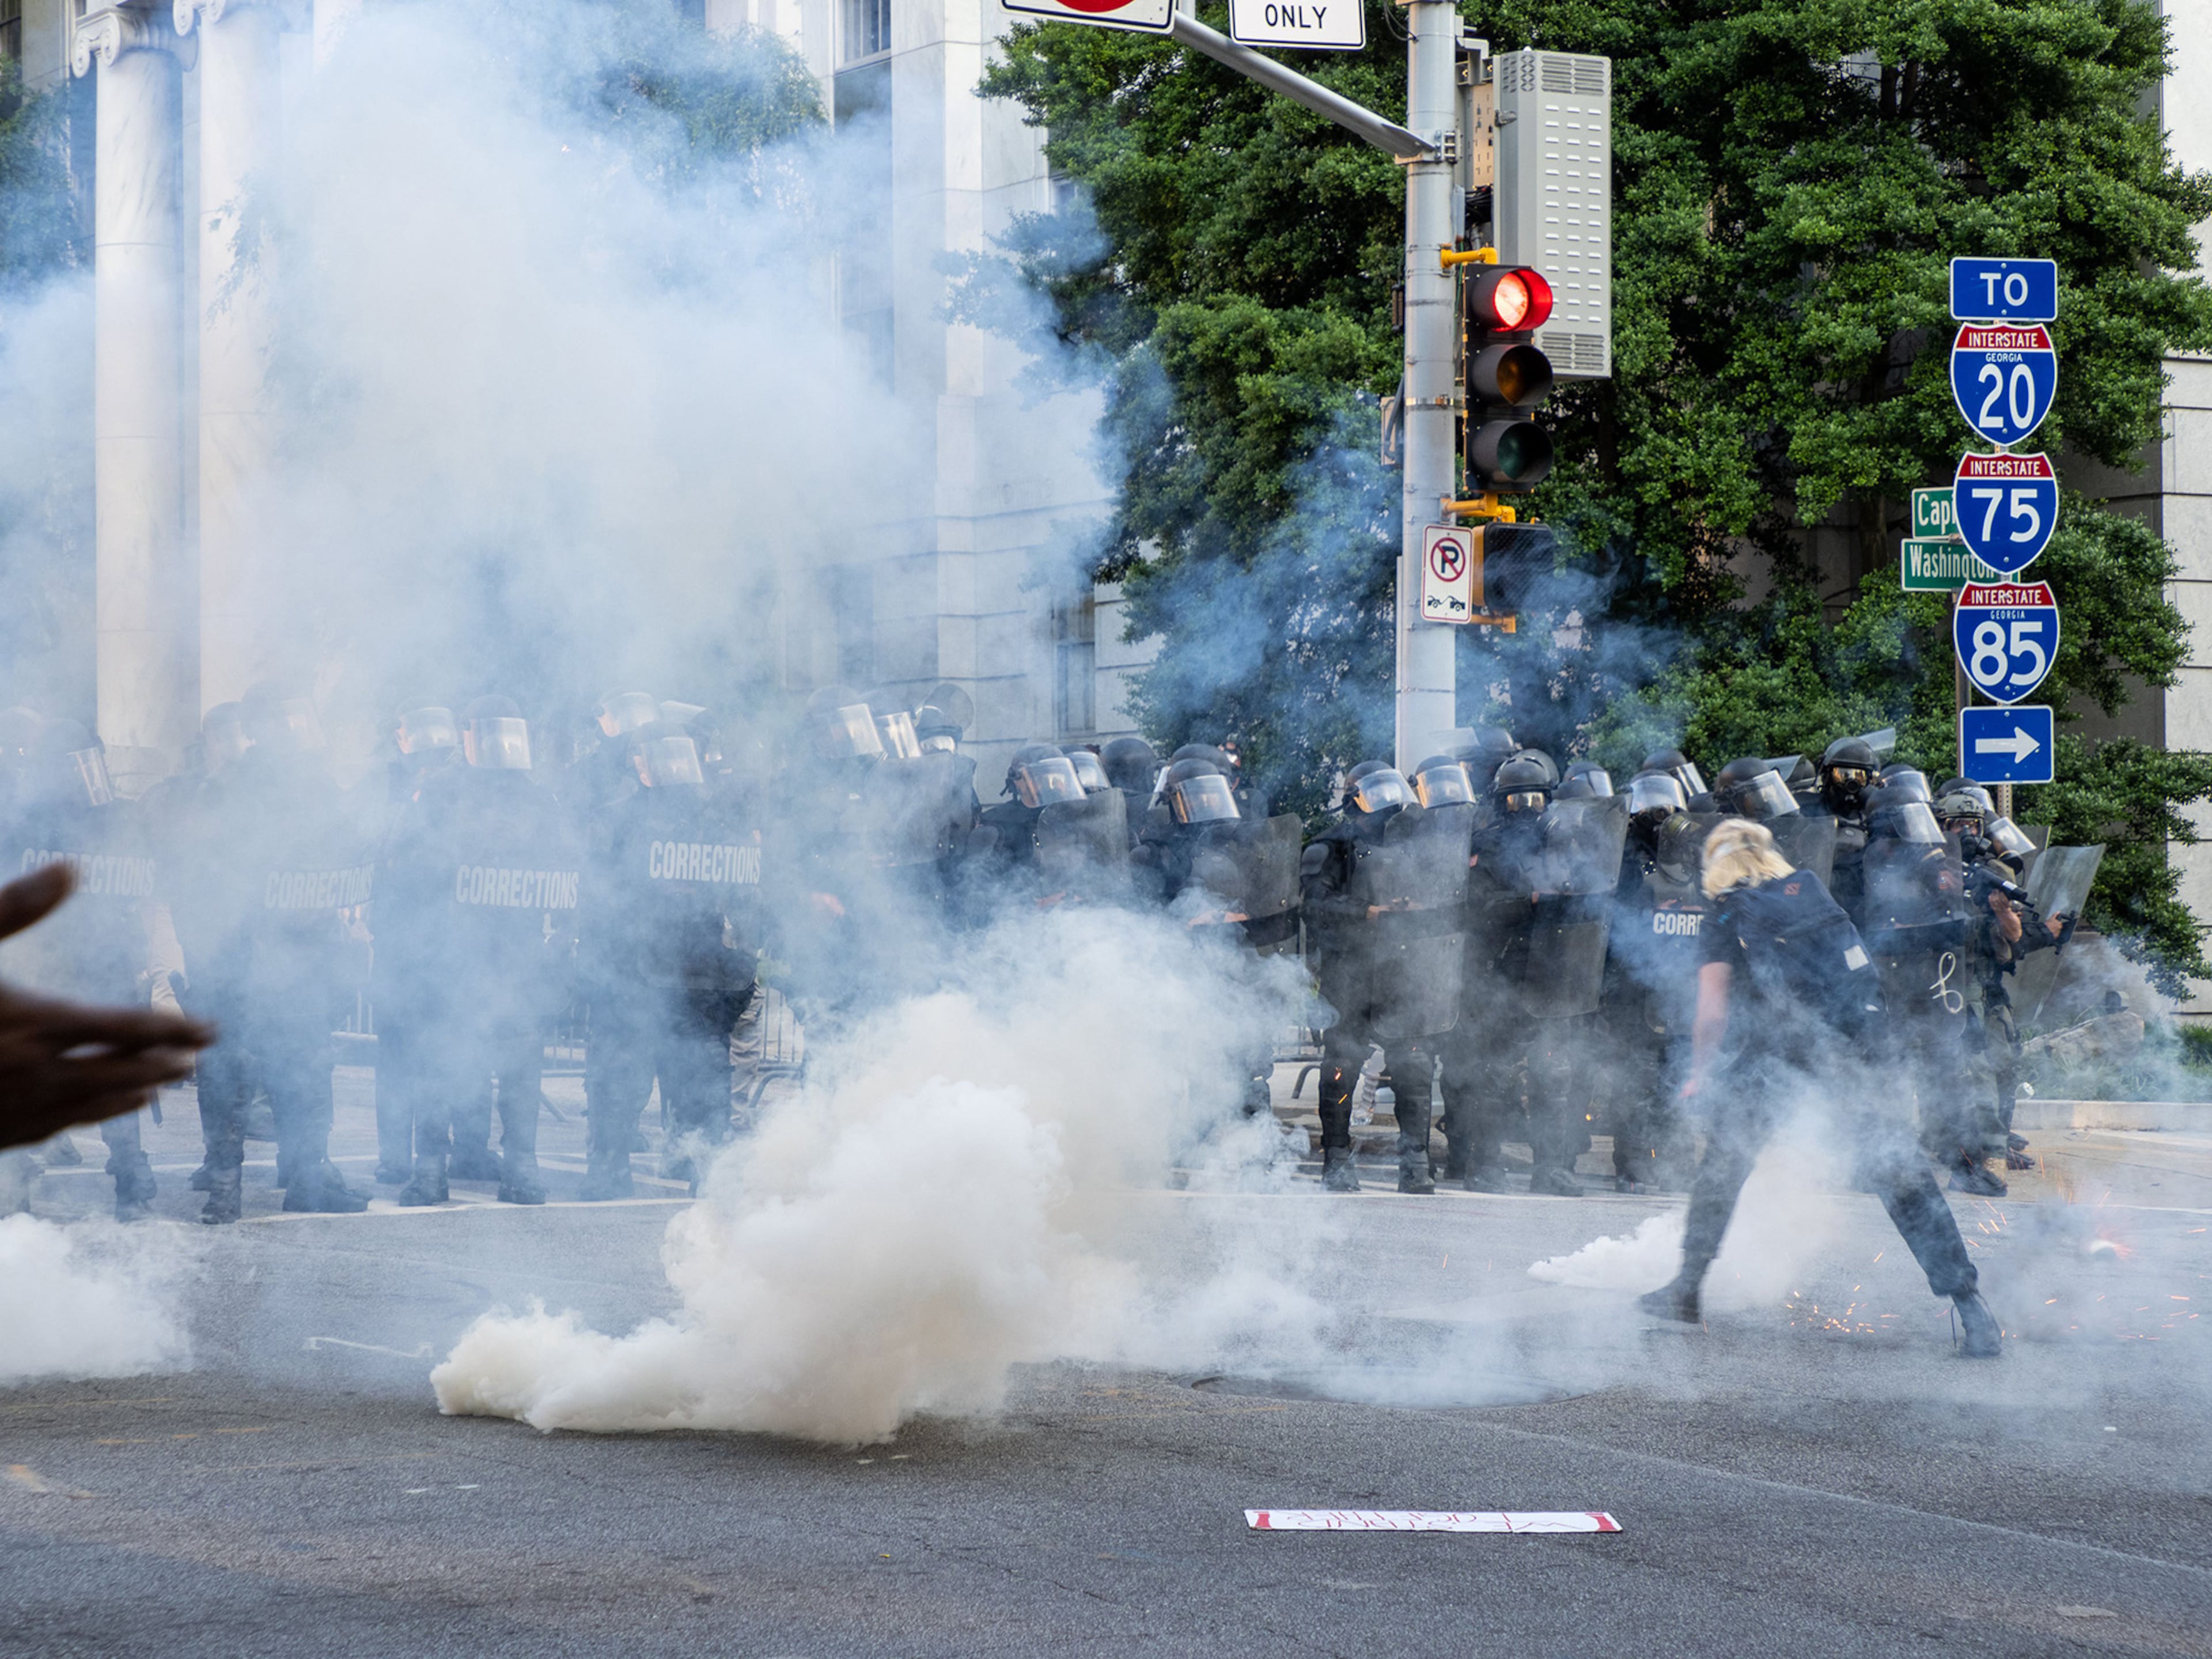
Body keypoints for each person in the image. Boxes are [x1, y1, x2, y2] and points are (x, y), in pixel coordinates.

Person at [1637, 819, 2002, 1357]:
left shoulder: (1726, 909)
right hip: (1855, 1051)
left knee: (1724, 1164)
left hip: (1778, 1055)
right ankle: (1972, 1309)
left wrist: (1699, 1070)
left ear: (1715, 865)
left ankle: (1687, 1289)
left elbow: (1711, 1011)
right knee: (1901, 1175)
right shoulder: (1810, 890)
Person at [167, 686, 372, 1219]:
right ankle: (299, 1181)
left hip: (252, 961)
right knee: (299, 1073)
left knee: (240, 1073)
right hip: (281, 962)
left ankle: (229, 1191)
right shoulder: (301, 787)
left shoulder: (224, 786)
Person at [376, 696, 582, 1206]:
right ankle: (510, 1171)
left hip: (473, 959)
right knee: (507, 1069)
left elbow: (402, 874)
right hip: (492, 959)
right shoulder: (533, 800)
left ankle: (440, 1174)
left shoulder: (448, 795)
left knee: (453, 1065)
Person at [579, 719, 766, 1198]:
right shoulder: (720, 823)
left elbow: (595, 899)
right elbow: (747, 900)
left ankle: (611, 1171)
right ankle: (705, 1175)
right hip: (695, 975)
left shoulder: (618, 819)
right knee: (700, 1082)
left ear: (645, 762)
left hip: (642, 975)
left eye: (641, 756)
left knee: (622, 1080)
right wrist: (739, 966)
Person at [0, 722, 166, 1218]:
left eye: (90, 761)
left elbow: (139, 894)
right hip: (49, 970)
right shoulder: (27, 823)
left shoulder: (117, 821)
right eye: (76, 763)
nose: (86, 775)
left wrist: (142, 960)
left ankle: (131, 1182)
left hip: (103, 966)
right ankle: (16, 1189)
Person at [1300, 763, 1442, 1193]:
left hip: (1404, 969)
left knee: (1414, 1064)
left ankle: (1416, 1164)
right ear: (1351, 799)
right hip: (1351, 970)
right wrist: (1367, 912)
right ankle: (1337, 1161)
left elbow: (1447, 894)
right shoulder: (1330, 847)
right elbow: (1315, 905)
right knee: (1341, 1066)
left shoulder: (1420, 845)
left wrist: (1415, 907)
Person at [0, 865, 212, 1154]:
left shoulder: (128, 866)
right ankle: (127, 1173)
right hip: (76, 961)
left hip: (105, 963)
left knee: (106, 1068)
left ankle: (132, 1175)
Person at [1938, 789, 2067, 1173]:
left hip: (1986, 983)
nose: (1965, 831)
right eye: (1956, 824)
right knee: (1972, 1071)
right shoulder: (1930, 868)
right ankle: (1977, 1157)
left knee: (2006, 1063)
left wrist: (2000, 910)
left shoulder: (1993, 870)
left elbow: (2013, 934)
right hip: (1950, 986)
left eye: (1972, 824)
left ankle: (1996, 1145)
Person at [1597, 769, 1696, 1191]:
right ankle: (1633, 1166)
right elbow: (1612, 921)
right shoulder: (1620, 859)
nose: (1660, 813)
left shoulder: (1691, 860)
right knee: (1635, 1081)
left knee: (1676, 1080)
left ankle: (1672, 1165)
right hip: (1632, 988)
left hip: (1679, 988)